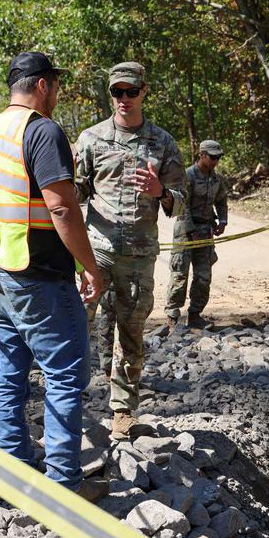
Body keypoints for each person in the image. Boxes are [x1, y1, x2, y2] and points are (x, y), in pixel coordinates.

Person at [0, 52, 106, 500]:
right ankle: (64, 483)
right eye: (57, 85)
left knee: (11, 371)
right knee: (65, 373)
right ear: (43, 85)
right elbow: (62, 206)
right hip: (37, 273)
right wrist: (89, 264)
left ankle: (13, 467)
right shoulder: (40, 130)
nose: (57, 94)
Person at [75, 61, 187, 441]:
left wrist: (162, 193)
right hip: (98, 250)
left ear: (143, 92)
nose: (124, 99)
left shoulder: (163, 142)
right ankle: (66, 404)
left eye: (131, 91)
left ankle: (122, 410)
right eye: (117, 92)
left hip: (140, 254)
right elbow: (74, 192)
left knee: (131, 332)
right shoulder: (90, 140)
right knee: (76, 323)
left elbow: (181, 200)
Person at [164, 140, 229, 330]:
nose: (216, 161)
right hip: (186, 232)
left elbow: (221, 201)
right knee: (179, 275)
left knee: (203, 276)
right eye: (212, 157)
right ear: (201, 155)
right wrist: (190, 231)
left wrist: (222, 221)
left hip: (206, 231)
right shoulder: (188, 176)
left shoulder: (216, 179)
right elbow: (182, 206)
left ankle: (195, 315)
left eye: (218, 157)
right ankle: (173, 317)